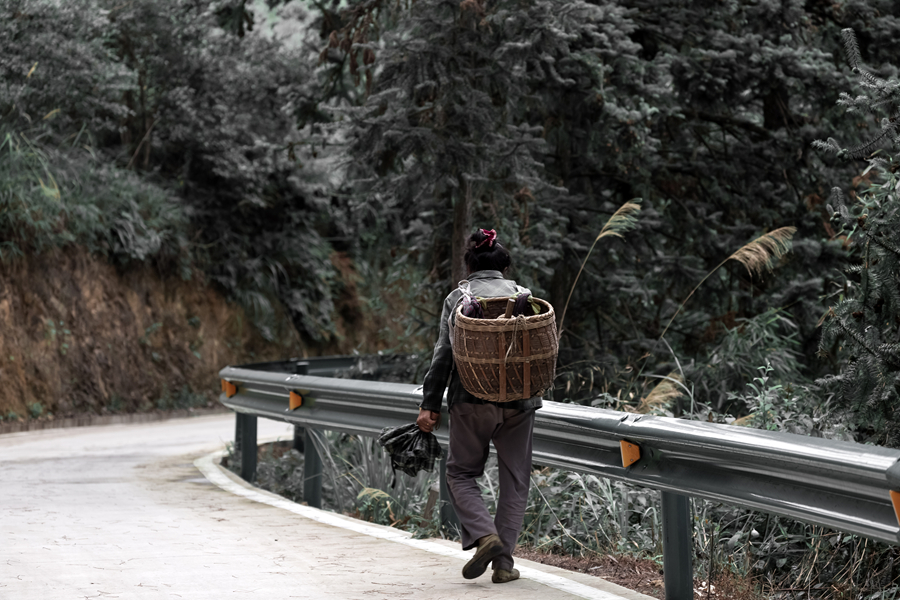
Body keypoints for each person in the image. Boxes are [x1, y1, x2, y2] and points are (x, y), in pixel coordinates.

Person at [416, 228, 542, 584]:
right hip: (519, 403)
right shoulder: (524, 296)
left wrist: (430, 404)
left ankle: (485, 536)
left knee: (459, 473)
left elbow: (443, 354)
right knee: (515, 481)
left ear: (469, 264)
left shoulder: (459, 297)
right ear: (504, 265)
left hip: (470, 400)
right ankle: (503, 564)